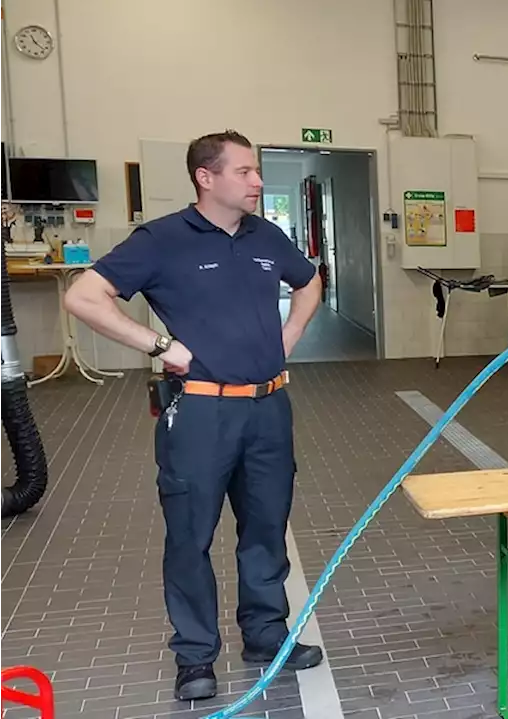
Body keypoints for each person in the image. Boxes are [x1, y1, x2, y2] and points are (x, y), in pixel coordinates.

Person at [63, 130, 325, 702]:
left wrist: (291, 333)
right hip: (201, 411)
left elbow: (308, 282)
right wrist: (158, 346)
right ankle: (195, 657)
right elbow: (83, 296)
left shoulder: (266, 236)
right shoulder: (161, 240)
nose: (258, 181)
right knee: (190, 536)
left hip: (268, 408)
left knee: (265, 529)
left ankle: (265, 636)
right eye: (246, 172)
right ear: (207, 178)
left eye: (257, 172)